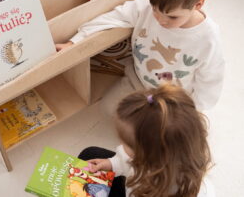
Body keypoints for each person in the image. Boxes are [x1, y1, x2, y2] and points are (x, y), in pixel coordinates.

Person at [56, 0, 224, 112]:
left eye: (172, 17)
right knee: (109, 110)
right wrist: (75, 42)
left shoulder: (207, 38)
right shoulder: (145, 6)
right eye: (155, 10)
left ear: (198, 5)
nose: (160, 20)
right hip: (139, 81)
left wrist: (194, 108)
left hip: (174, 98)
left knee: (161, 132)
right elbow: (113, 17)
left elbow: (211, 79)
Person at [79, 84, 216, 197]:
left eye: (127, 144)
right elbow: (129, 161)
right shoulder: (163, 157)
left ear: (148, 157)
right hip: (135, 182)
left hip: (138, 188)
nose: (120, 146)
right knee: (90, 154)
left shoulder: (189, 190)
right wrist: (112, 164)